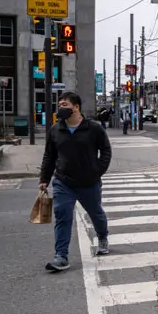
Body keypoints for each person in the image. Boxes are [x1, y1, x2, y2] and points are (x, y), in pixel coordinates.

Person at [39, 92, 112, 272]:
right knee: (63, 216)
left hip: (89, 182)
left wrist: (97, 171)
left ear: (76, 107)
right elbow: (49, 156)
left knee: (96, 214)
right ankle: (61, 256)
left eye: (65, 104)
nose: (61, 108)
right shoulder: (56, 130)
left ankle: (102, 236)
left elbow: (106, 151)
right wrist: (44, 179)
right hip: (64, 182)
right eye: (60, 105)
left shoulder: (94, 128)